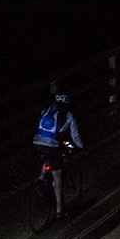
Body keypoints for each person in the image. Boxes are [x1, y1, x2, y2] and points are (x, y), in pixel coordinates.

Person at [32, 89, 83, 217]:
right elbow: (75, 135)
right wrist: (81, 146)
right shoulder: (68, 115)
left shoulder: (47, 110)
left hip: (37, 142)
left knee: (47, 158)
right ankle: (60, 209)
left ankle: (41, 178)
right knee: (57, 177)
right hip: (51, 145)